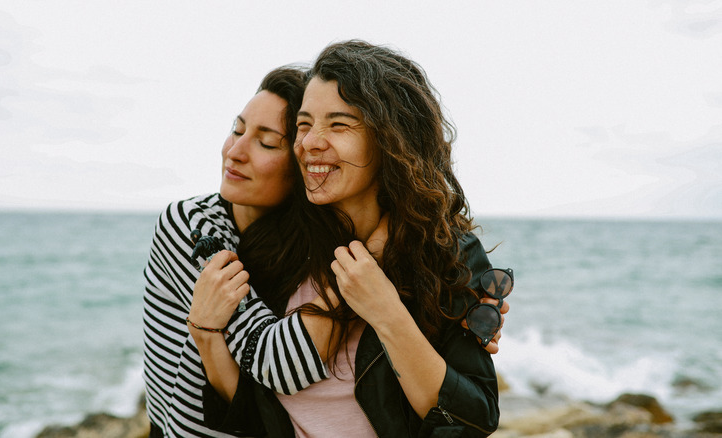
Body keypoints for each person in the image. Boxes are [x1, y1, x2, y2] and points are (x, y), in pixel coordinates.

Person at [192, 40, 506, 437]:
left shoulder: (447, 255)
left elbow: (474, 419)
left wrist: (387, 312)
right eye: (303, 125)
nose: (309, 143)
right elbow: (253, 412)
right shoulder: (274, 246)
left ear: (391, 140)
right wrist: (205, 333)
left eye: (338, 124)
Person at [141, 66, 322, 437]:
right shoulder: (189, 225)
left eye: (266, 143)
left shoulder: (306, 246)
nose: (235, 151)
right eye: (237, 130)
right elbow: (280, 365)